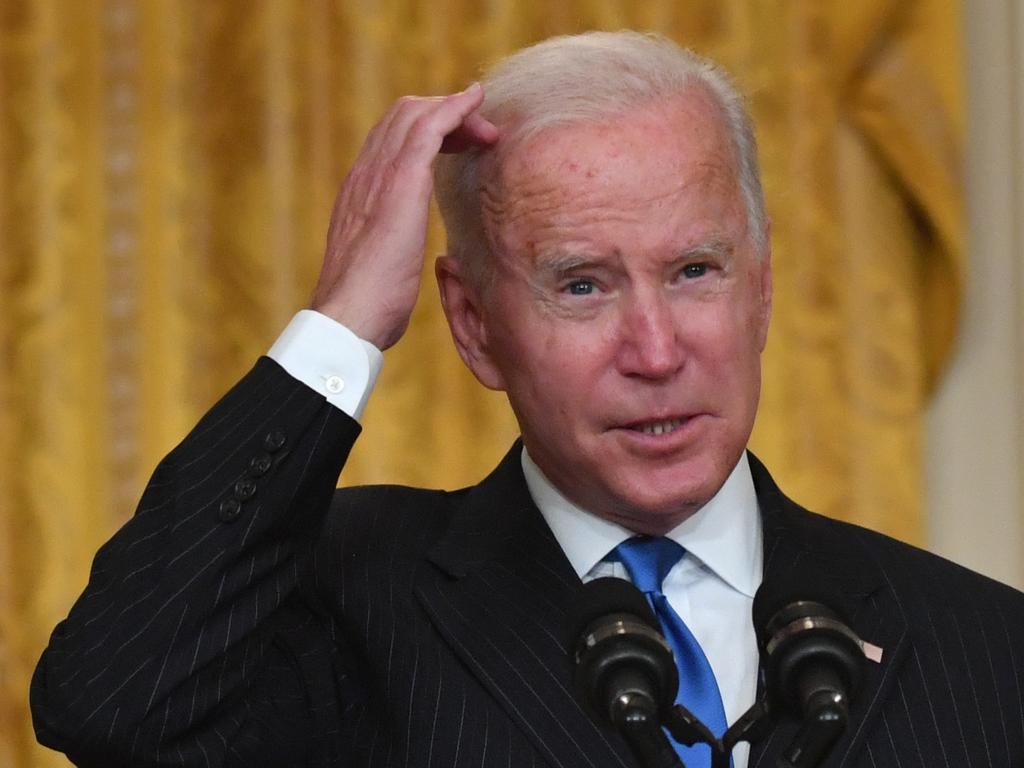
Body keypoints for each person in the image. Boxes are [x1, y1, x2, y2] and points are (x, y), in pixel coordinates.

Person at [30, 30, 1024, 768]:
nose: (655, 349)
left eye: (692, 271)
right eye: (582, 284)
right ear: (472, 323)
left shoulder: (986, 651)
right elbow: (112, 705)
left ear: (760, 287)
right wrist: (342, 325)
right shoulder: (342, 605)